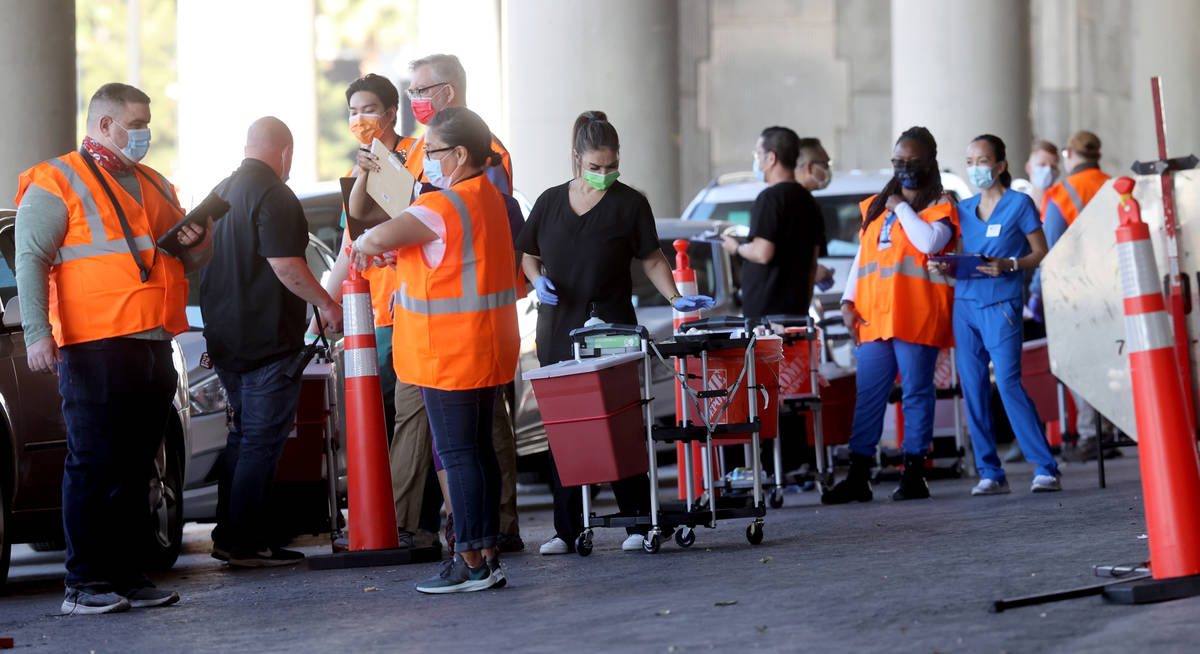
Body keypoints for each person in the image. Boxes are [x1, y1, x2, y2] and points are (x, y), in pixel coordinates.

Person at [14, 83, 213, 614]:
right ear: (104, 125)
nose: (145, 131)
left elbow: (184, 262)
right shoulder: (57, 180)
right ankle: (83, 584)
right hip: (93, 347)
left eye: (147, 120)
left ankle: (126, 576)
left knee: (137, 467)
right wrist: (38, 333)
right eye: (137, 121)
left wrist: (199, 239)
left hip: (153, 344)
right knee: (93, 465)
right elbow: (31, 257)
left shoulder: (153, 182)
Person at [327, 59, 526, 555]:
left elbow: (383, 232)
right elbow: (381, 220)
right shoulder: (456, 184)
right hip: (465, 339)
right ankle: (474, 543)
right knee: (469, 447)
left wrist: (398, 234)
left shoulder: (465, 182)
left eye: (421, 90)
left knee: (463, 450)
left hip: (448, 346)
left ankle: (474, 548)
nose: (427, 156)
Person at [517, 111, 714, 555]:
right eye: (595, 167)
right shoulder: (549, 202)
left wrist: (675, 298)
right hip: (558, 327)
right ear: (576, 159)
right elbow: (528, 253)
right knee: (564, 427)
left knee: (620, 421)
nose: (604, 174)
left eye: (611, 166)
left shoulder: (629, 204)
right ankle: (567, 529)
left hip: (611, 326)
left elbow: (652, 258)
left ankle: (638, 522)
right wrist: (536, 280)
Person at [200, 117, 343, 568]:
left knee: (244, 437)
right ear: (285, 151)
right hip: (266, 343)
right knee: (261, 441)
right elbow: (286, 266)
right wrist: (326, 304)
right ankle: (244, 541)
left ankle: (235, 536)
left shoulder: (219, 192)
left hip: (225, 340)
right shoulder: (276, 195)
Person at [821, 126, 958, 505]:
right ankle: (859, 475)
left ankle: (914, 473)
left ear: (930, 162)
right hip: (873, 316)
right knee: (868, 397)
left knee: (916, 393)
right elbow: (863, 259)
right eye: (898, 161)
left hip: (916, 314)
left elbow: (930, 242)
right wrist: (847, 303)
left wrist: (900, 207)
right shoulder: (875, 207)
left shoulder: (940, 207)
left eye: (912, 161)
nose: (904, 167)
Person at [939, 134, 1060, 494]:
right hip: (966, 306)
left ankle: (1046, 467)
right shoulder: (963, 210)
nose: (976, 168)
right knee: (973, 388)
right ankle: (990, 472)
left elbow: (1041, 252)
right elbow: (961, 256)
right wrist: (944, 268)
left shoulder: (1019, 205)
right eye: (971, 161)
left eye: (983, 160)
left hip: (1002, 305)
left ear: (1001, 166)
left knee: (1007, 383)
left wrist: (1009, 264)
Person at [1029, 130, 1112, 461]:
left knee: (1082, 360)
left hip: (1076, 291)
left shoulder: (1062, 193)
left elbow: (1048, 249)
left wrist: (1036, 292)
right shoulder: (1114, 185)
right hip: (1114, 286)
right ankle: (1107, 431)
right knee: (1110, 359)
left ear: (1069, 155)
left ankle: (1092, 436)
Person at [722, 127, 826, 319]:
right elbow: (813, 262)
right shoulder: (810, 201)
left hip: (767, 314)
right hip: (797, 309)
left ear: (771, 158)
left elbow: (762, 253)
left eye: (758, 154)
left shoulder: (769, 199)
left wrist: (736, 248)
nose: (757, 160)